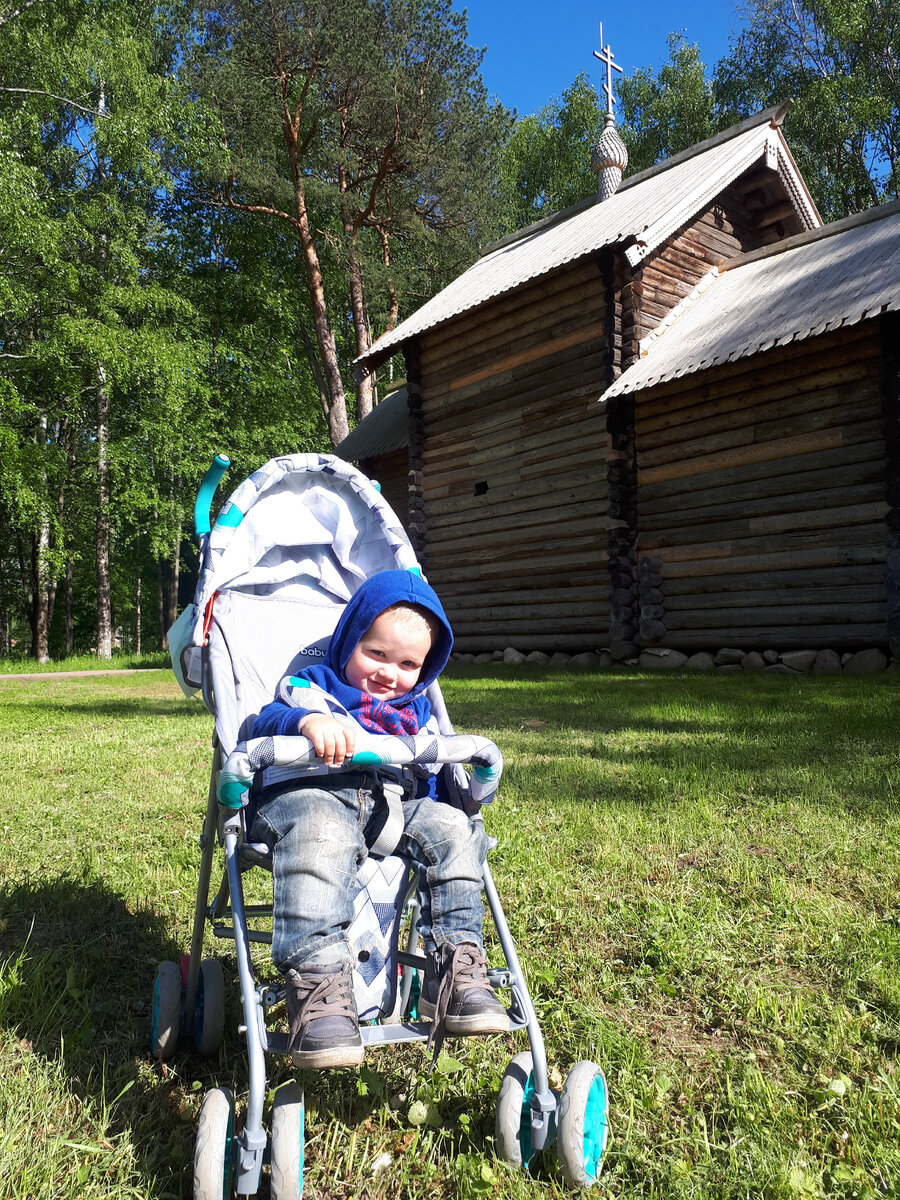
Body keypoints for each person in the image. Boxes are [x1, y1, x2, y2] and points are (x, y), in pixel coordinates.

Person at [249, 568, 508, 1069]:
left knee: (455, 830)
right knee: (321, 836)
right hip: (311, 800)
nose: (390, 673)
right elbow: (264, 722)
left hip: (391, 807)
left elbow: (435, 785)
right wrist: (308, 723)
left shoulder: (417, 718)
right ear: (347, 643)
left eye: (409, 663)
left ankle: (454, 971)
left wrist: (466, 789)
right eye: (377, 654)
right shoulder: (311, 689)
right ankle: (318, 986)